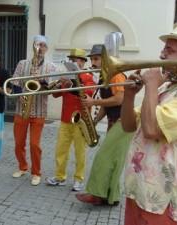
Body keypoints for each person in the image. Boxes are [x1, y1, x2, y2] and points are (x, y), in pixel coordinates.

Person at [121, 23, 177, 225]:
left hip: (162, 197)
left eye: (169, 50)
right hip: (138, 188)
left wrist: (151, 86)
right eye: (164, 49)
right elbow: (128, 126)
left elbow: (151, 130)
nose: (161, 55)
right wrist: (128, 96)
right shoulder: (168, 88)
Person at [75, 44, 128, 205]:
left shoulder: (116, 75)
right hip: (115, 121)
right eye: (92, 59)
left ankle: (97, 194)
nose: (93, 62)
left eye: (96, 59)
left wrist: (93, 101)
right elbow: (106, 105)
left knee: (103, 158)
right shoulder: (105, 76)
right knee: (113, 161)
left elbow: (119, 99)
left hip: (123, 121)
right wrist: (95, 121)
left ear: (105, 59)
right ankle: (110, 197)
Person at [45, 48, 95, 191]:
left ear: (82, 62)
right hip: (66, 119)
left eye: (75, 59)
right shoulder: (67, 76)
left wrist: (73, 83)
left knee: (80, 152)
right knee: (60, 150)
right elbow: (55, 95)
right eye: (71, 60)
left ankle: (79, 179)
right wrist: (61, 84)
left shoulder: (88, 77)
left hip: (81, 120)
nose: (72, 62)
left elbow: (88, 94)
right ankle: (60, 177)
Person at [12, 35, 57, 186]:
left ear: (47, 48)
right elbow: (15, 80)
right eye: (38, 45)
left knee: (34, 144)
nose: (40, 48)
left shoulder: (51, 67)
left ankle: (36, 172)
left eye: (43, 45)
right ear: (33, 46)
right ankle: (23, 167)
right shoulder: (22, 63)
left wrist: (41, 80)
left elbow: (51, 88)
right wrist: (20, 94)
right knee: (18, 143)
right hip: (22, 106)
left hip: (39, 110)